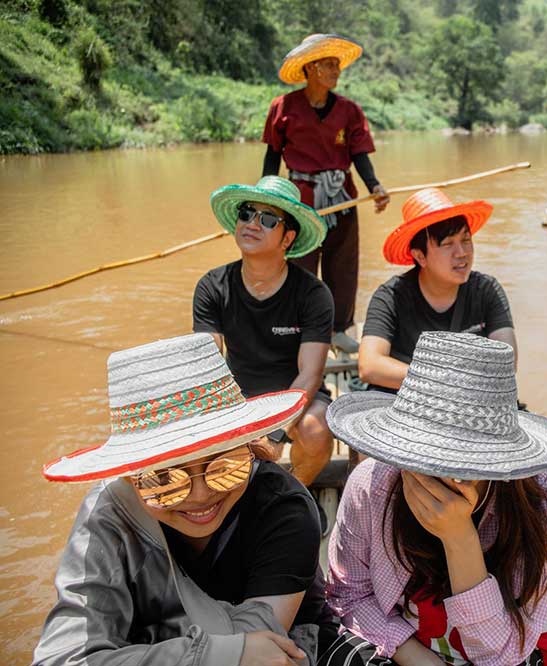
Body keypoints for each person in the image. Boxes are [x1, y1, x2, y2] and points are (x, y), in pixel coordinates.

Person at [33, 333, 338, 665]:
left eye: (225, 467)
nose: (201, 495)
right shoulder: (109, 513)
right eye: (164, 479)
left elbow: (265, 650)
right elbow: (61, 656)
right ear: (129, 476)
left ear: (249, 447)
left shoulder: (283, 508)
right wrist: (216, 653)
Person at [323, 331, 547, 666]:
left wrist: (459, 538)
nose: (439, 475)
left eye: (463, 466)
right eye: (419, 459)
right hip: (407, 630)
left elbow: (503, 653)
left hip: (507, 636)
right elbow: (349, 596)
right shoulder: (373, 486)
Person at [194, 175, 335, 487]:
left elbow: (310, 375)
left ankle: (295, 492)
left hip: (297, 394)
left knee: (316, 431)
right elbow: (206, 366)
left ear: (287, 239)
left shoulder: (313, 294)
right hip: (239, 393)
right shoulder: (212, 287)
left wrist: (274, 433)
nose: (252, 224)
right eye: (246, 213)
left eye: (268, 219)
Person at [262, 33, 391, 354]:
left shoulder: (349, 111)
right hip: (300, 198)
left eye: (337, 65)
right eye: (329, 65)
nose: (337, 71)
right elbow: (272, 155)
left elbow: (359, 154)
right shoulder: (284, 107)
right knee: (299, 263)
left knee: (343, 263)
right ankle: (302, 331)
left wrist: (374, 186)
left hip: (342, 197)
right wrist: (265, 195)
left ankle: (338, 329)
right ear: (311, 69)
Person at [358, 188, 516, 392]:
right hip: (407, 403)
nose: (462, 253)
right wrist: (445, 382)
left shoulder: (486, 290)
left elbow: (507, 364)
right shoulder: (391, 296)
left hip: (470, 404)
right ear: (420, 256)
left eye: (466, 240)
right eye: (448, 244)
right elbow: (369, 366)